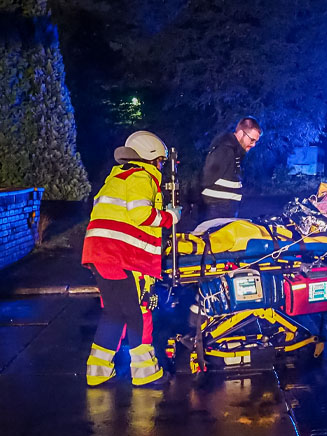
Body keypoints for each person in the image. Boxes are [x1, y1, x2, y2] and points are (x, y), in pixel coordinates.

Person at [81, 130, 182, 387]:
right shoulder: (141, 176)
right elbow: (139, 214)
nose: (160, 166)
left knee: (114, 312)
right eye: (159, 161)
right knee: (140, 310)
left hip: (99, 254)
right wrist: (170, 217)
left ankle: (98, 370)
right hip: (123, 256)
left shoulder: (116, 178)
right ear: (150, 158)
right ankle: (145, 372)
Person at [200, 117, 262, 221]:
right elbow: (205, 180)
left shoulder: (235, 153)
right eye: (252, 140)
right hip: (216, 213)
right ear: (241, 133)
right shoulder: (224, 151)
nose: (253, 144)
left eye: (256, 141)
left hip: (224, 212)